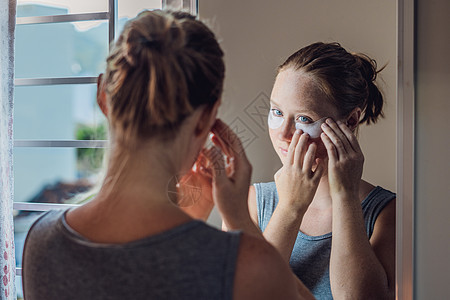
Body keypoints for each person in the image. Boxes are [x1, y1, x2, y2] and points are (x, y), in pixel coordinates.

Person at [21, 10, 314, 300]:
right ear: (206, 119)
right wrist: (239, 219)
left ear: (102, 97)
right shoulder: (246, 266)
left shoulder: (41, 241)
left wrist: (188, 216)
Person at [244, 42, 396, 299]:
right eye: (277, 112)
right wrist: (290, 208)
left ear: (350, 121)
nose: (283, 133)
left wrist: (345, 195)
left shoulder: (387, 214)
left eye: (304, 119)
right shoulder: (252, 204)